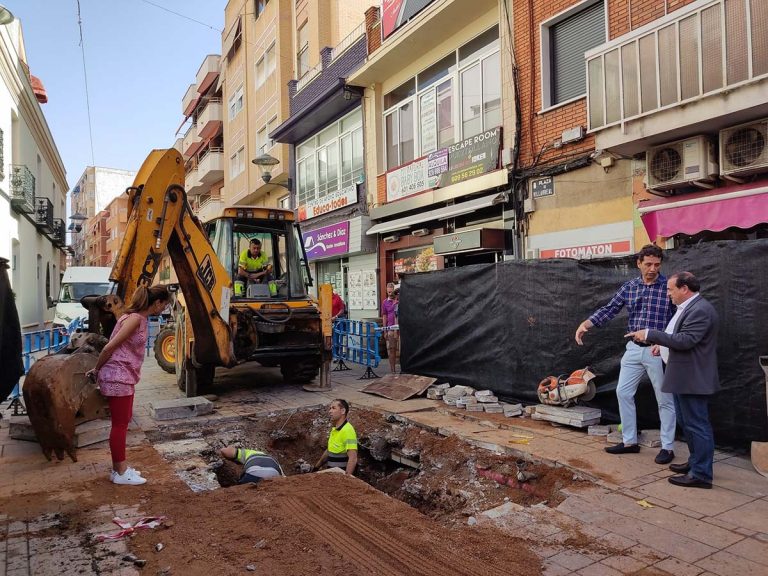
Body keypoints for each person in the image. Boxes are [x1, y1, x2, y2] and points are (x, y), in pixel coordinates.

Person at [575, 244, 677, 464]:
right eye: (648, 264)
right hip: (632, 349)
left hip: (657, 349)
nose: (652, 268)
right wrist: (586, 324)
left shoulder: (668, 287)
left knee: (664, 399)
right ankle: (629, 441)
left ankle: (668, 447)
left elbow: (678, 319)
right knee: (623, 392)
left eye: (657, 264)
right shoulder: (629, 287)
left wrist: (667, 342)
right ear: (638, 263)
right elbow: (610, 308)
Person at [625, 272, 719, 489]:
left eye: (670, 289)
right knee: (688, 424)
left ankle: (702, 475)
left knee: (698, 425)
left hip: (692, 378)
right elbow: (679, 337)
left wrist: (650, 334)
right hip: (683, 376)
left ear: (684, 288)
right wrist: (663, 345)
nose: (668, 294)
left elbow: (686, 340)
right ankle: (695, 463)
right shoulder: (688, 308)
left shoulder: (700, 310)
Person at [86, 285, 171, 486]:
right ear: (157, 303)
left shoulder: (132, 317)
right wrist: (96, 370)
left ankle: (119, 469)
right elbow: (109, 347)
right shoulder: (135, 319)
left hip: (123, 375)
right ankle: (121, 472)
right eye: (165, 304)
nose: (165, 308)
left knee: (123, 421)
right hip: (118, 376)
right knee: (120, 424)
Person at [314, 399, 358, 475]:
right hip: (332, 477)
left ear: (343, 411)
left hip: (340, 478)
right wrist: (316, 467)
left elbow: (353, 458)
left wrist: (346, 478)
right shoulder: (335, 429)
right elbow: (329, 450)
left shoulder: (348, 430)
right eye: (330, 408)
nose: (330, 411)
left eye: (333, 408)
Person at [219, 445, 284, 485]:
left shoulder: (246, 453)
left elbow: (225, 451)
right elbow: (284, 478)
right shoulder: (272, 459)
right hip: (273, 473)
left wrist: (227, 448)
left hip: (253, 472)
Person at [382, 282, 399, 373]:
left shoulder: (398, 301)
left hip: (399, 328)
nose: (390, 294)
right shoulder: (385, 302)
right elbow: (384, 316)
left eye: (392, 292)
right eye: (388, 292)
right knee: (391, 349)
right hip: (390, 328)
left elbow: (397, 315)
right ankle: (393, 370)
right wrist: (384, 330)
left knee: (399, 349)